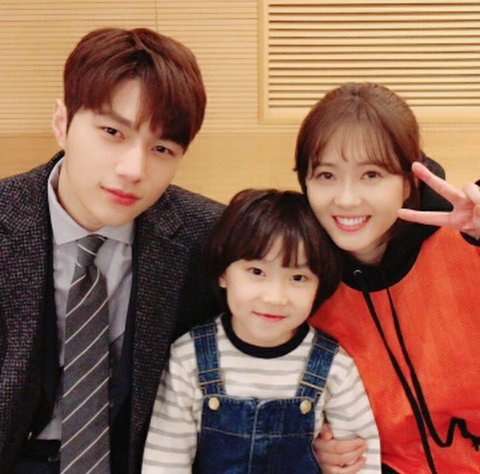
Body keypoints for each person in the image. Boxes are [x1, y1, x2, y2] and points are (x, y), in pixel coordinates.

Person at [0, 27, 224, 474]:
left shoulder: (209, 237)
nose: (134, 169)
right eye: (112, 132)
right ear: (62, 123)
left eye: (162, 148)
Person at [294, 82, 480, 473]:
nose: (346, 199)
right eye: (326, 175)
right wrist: (317, 446)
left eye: (371, 174)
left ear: (410, 180)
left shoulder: (467, 244)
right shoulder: (303, 282)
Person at [142, 188, 381, 473]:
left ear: (320, 286)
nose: (274, 298)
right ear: (223, 273)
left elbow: (360, 460)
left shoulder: (333, 364)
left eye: (298, 277)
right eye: (256, 272)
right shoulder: (189, 356)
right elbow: (166, 460)